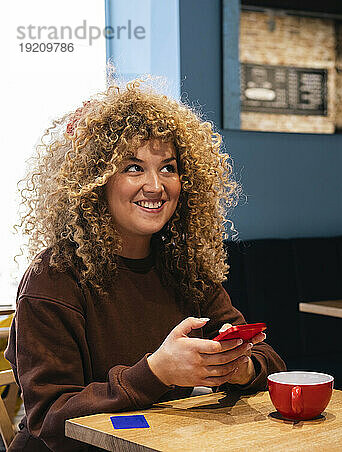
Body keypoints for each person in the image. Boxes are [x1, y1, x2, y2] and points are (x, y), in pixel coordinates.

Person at [5, 79, 285, 451]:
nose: (155, 186)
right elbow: (52, 420)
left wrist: (239, 367)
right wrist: (155, 373)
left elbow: (270, 361)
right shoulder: (53, 278)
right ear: (94, 183)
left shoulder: (184, 268)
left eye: (168, 168)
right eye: (133, 168)